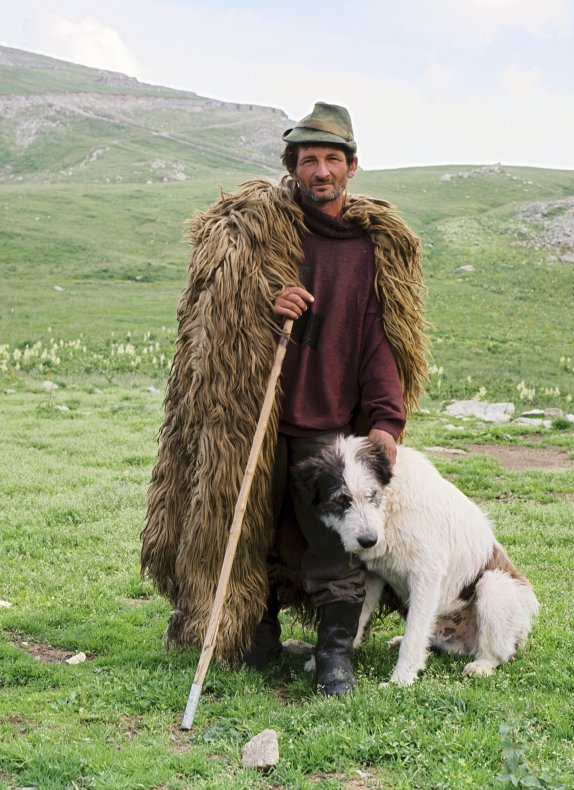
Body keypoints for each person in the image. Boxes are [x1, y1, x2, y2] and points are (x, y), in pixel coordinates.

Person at [142, 101, 427, 695]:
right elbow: (205, 320)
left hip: (328, 420)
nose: (319, 170)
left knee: (332, 536)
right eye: (307, 160)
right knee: (247, 524)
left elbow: (384, 341)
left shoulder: (374, 248)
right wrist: (265, 311)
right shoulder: (252, 233)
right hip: (250, 414)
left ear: (352, 166)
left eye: (330, 159)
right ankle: (254, 632)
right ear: (292, 166)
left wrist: (386, 423)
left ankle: (334, 654)